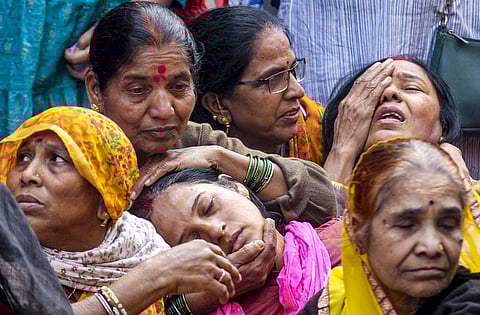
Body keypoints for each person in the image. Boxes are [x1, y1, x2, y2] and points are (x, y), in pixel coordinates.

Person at [0, 107, 242, 315]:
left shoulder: (141, 251)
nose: (28, 175)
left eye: (57, 159)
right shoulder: (156, 270)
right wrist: (151, 279)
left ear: (106, 199)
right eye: (22, 157)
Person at [299, 138, 480, 315]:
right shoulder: (333, 303)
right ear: (359, 232)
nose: (432, 247)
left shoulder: (470, 302)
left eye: (448, 225)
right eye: (407, 225)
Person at [131, 167, 342, 315]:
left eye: (208, 207)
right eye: (193, 239)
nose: (215, 231)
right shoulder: (203, 306)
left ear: (236, 187)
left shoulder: (347, 238)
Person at [188, 6, 324, 164]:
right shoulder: (190, 163)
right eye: (272, 79)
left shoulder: (325, 131)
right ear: (218, 105)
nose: (298, 91)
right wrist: (340, 157)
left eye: (292, 70)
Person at [0, 183, 74, 315]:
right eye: (23, 160)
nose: (28, 174)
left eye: (57, 161)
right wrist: (109, 301)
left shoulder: (121, 271)